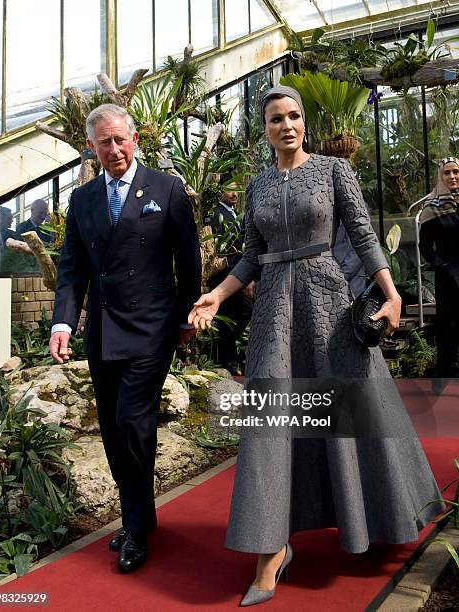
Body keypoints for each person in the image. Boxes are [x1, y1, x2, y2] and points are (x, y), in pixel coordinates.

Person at [189, 86, 443, 607]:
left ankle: (379, 515)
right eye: (276, 119)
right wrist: (215, 294)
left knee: (355, 407)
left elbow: (365, 235)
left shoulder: (333, 171)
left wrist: (392, 295)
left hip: (328, 302)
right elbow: (250, 258)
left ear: (304, 121)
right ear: (263, 128)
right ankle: (270, 549)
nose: (287, 125)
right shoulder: (257, 185)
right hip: (274, 316)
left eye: (295, 116)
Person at [49, 104, 201, 573]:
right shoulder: (83, 200)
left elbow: (189, 263)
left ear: (134, 140)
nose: (113, 150)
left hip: (151, 329)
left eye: (120, 140)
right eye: (103, 143)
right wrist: (62, 322)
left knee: (134, 422)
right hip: (103, 332)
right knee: (114, 430)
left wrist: (182, 320)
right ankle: (139, 513)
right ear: (91, 148)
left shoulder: (167, 188)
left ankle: (135, 527)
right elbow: (73, 268)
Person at [419, 157, 459, 388]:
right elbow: (424, 246)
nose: (452, 177)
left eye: (456, 172)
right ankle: (442, 382)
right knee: (449, 329)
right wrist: (441, 266)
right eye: (447, 173)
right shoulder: (431, 207)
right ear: (440, 177)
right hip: (449, 276)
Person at [206, 181, 254, 373]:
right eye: (229, 189)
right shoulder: (217, 215)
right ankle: (227, 360)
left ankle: (221, 351)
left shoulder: (236, 215)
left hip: (237, 274)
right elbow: (222, 250)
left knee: (244, 313)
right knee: (229, 317)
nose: (234, 194)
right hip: (225, 277)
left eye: (236, 189)